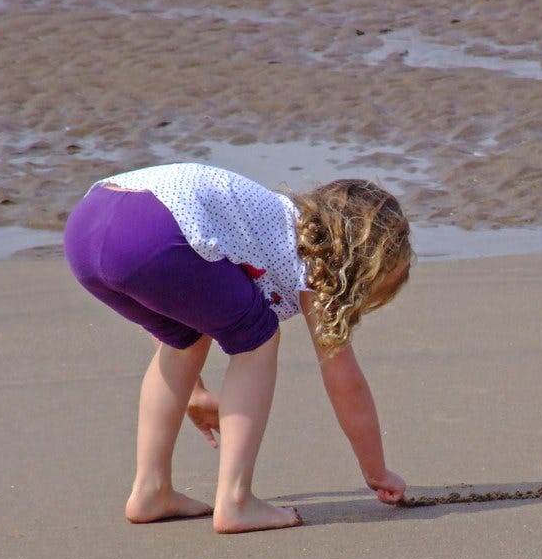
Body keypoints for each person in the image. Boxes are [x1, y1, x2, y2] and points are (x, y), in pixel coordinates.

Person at [63, 163, 413, 533]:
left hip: (87, 228)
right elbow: (345, 382)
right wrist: (376, 470)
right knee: (258, 337)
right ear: (356, 264)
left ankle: (151, 491)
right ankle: (236, 501)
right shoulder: (315, 266)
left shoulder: (265, 220)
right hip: (154, 232)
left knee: (184, 336)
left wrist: (195, 392)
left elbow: (173, 312)